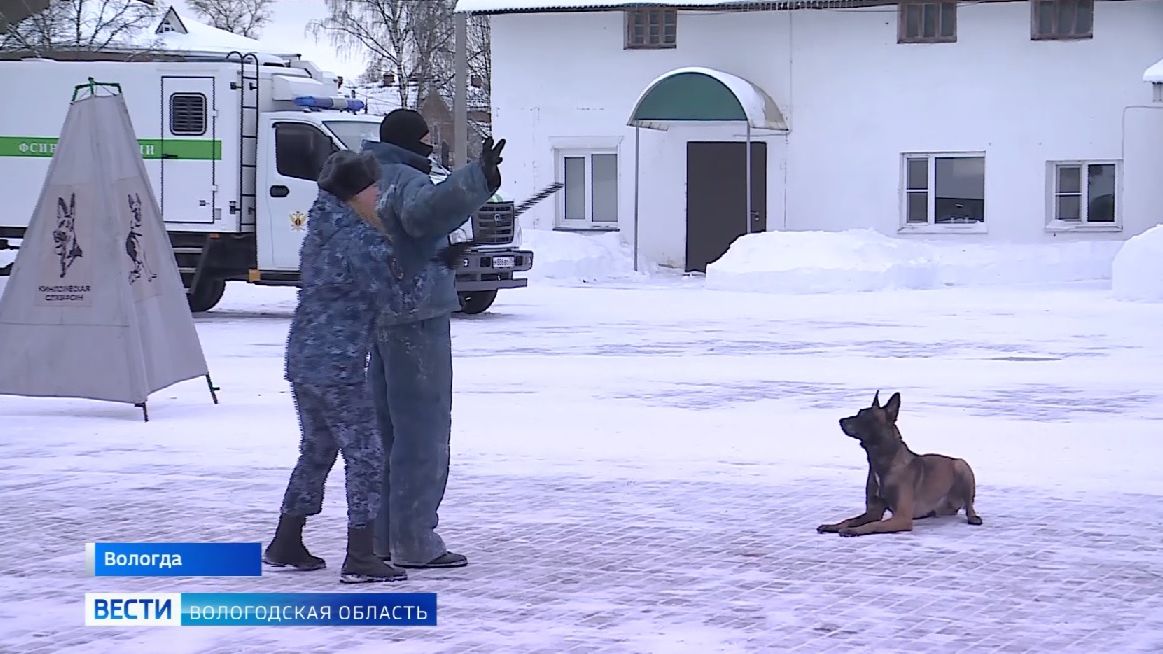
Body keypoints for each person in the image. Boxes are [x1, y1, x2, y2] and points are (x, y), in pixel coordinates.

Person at [359, 108, 504, 568]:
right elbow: (424, 215)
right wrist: (479, 178)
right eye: (427, 138)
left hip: (378, 311)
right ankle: (415, 540)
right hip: (416, 314)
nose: (430, 145)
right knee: (422, 433)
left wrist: (439, 250)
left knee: (385, 433)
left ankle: (381, 538)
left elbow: (402, 234)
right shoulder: (404, 177)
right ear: (411, 140)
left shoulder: (363, 177)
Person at [263, 149, 408, 584]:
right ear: (354, 193)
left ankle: (286, 541)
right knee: (365, 456)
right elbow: (398, 295)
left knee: (318, 450)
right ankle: (360, 556)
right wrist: (433, 265)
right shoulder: (356, 236)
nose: (379, 192)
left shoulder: (325, 225)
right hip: (338, 364)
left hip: (305, 358)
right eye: (372, 186)